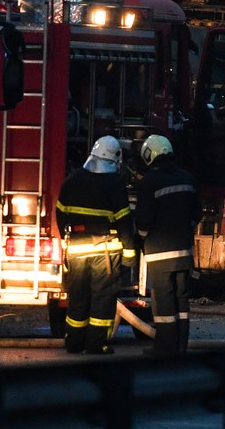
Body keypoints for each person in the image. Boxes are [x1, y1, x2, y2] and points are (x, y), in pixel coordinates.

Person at [55, 135, 136, 355]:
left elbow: (60, 214)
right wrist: (130, 256)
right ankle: (95, 345)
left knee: (77, 298)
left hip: (76, 250)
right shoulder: (115, 185)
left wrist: (66, 236)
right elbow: (124, 223)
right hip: (106, 253)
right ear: (114, 160)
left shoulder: (72, 180)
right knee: (102, 299)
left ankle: (73, 343)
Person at [135, 134, 201, 356]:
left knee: (163, 301)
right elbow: (196, 215)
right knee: (182, 301)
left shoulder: (148, 183)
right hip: (184, 252)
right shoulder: (188, 179)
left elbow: (143, 222)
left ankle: (165, 347)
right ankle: (181, 346)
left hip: (159, 254)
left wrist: (143, 237)